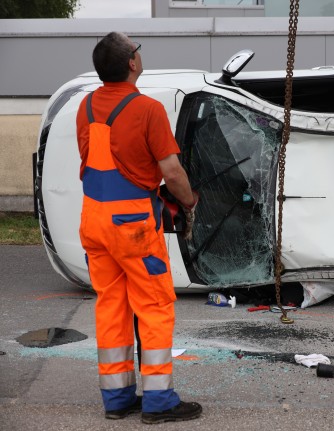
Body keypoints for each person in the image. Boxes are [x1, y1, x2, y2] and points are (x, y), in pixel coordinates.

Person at [76, 32, 202, 424]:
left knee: (111, 306)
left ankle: (117, 399)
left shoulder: (86, 105)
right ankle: (159, 402)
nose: (139, 55)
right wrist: (189, 201)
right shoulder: (147, 109)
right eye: (137, 50)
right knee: (154, 306)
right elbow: (172, 172)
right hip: (132, 226)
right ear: (132, 63)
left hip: (93, 221)